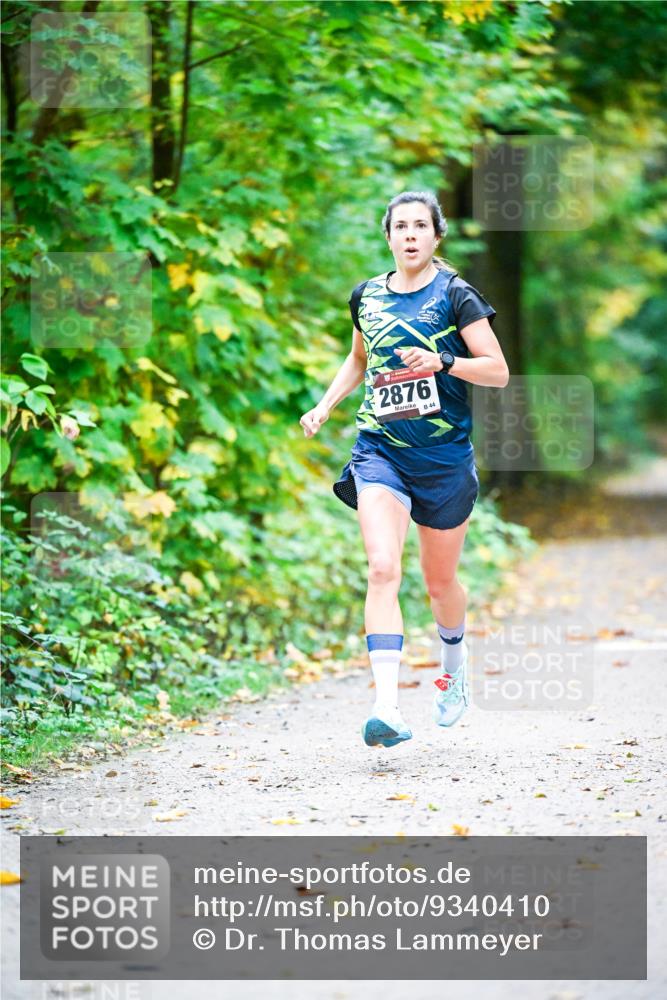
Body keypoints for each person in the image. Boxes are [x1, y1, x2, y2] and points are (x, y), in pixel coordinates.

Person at [300, 191, 509, 748]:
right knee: (381, 569)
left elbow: (497, 371)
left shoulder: (456, 295)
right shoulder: (366, 297)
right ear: (388, 236)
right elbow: (359, 358)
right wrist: (326, 405)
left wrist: (443, 361)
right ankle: (387, 706)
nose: (411, 234)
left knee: (439, 584)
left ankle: (453, 669)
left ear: (436, 236)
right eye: (400, 226)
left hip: (442, 460)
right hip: (380, 450)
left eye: (421, 225)